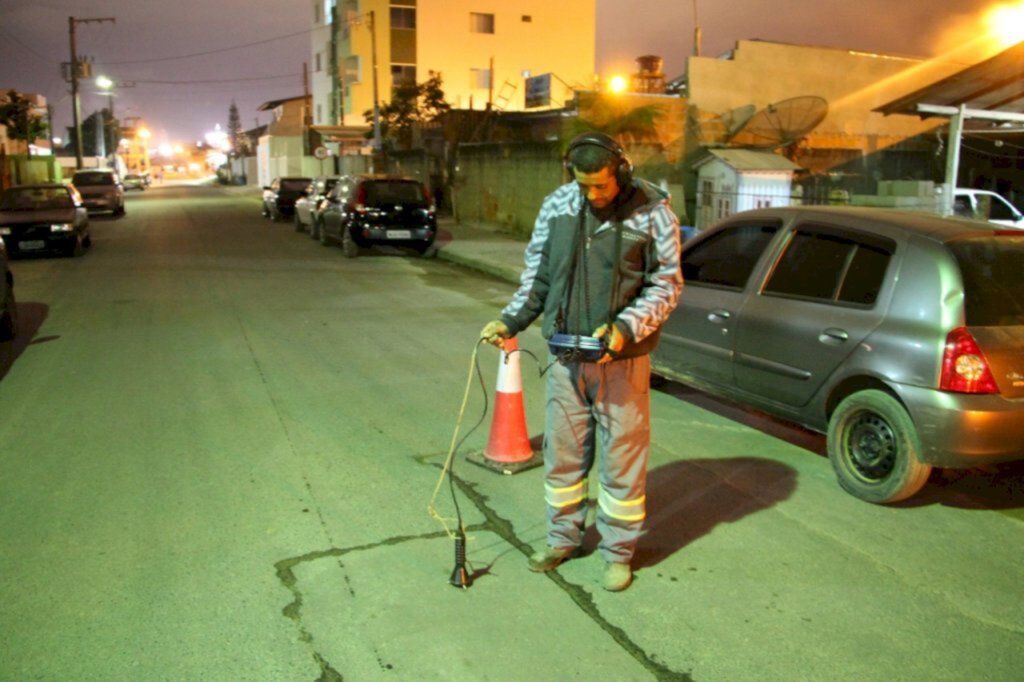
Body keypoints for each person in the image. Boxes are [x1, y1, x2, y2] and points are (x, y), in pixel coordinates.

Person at [480, 132, 683, 592]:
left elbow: (667, 285)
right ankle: (562, 540)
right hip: (566, 361)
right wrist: (511, 320)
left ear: (622, 173)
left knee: (621, 462)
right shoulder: (559, 206)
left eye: (601, 187)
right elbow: (538, 275)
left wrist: (624, 329)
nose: (591, 195)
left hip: (623, 363)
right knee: (563, 459)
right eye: (583, 184)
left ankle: (618, 554)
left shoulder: (652, 212)